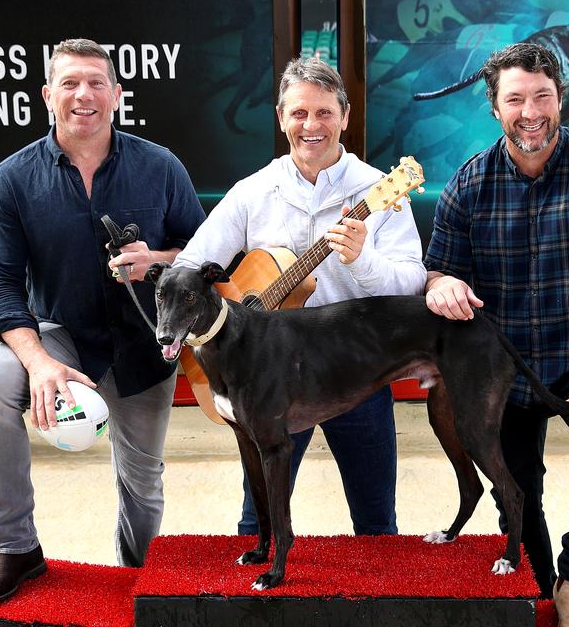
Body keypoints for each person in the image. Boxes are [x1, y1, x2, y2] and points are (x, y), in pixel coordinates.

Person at [423, 42, 569, 627]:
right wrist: (442, 283)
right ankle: (536, 578)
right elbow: (439, 269)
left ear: (562, 98)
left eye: (542, 96)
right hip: (502, 365)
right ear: (494, 108)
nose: (531, 111)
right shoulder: (468, 184)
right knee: (516, 485)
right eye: (515, 99)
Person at [0, 38, 205, 606]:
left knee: (143, 485)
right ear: (48, 95)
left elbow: (204, 252)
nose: (84, 95)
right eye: (70, 83)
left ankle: (137, 576)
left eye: (97, 83)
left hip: (146, 345)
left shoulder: (160, 165)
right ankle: (18, 550)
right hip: (60, 339)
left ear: (118, 96)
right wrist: (39, 361)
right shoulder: (12, 178)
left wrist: (158, 261)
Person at [175, 57, 426, 537]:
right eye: (299, 113)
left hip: (357, 372)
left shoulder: (379, 189)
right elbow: (191, 268)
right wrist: (218, 326)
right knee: (257, 521)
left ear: (345, 116)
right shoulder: (253, 191)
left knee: (376, 525)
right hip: (266, 379)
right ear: (281, 117)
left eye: (325, 113)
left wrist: (363, 262)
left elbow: (412, 284)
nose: (312, 125)